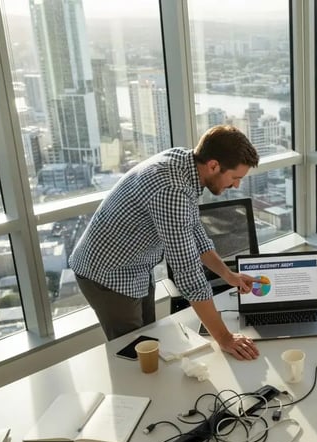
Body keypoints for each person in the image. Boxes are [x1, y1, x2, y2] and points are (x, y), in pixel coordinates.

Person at [69, 125, 260, 361]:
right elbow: (188, 272)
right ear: (213, 165)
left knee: (149, 342)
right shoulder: (172, 188)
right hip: (109, 274)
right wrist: (225, 338)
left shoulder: (185, 163)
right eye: (235, 177)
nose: (236, 185)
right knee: (135, 355)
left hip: (137, 267)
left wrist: (228, 275)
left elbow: (195, 231)